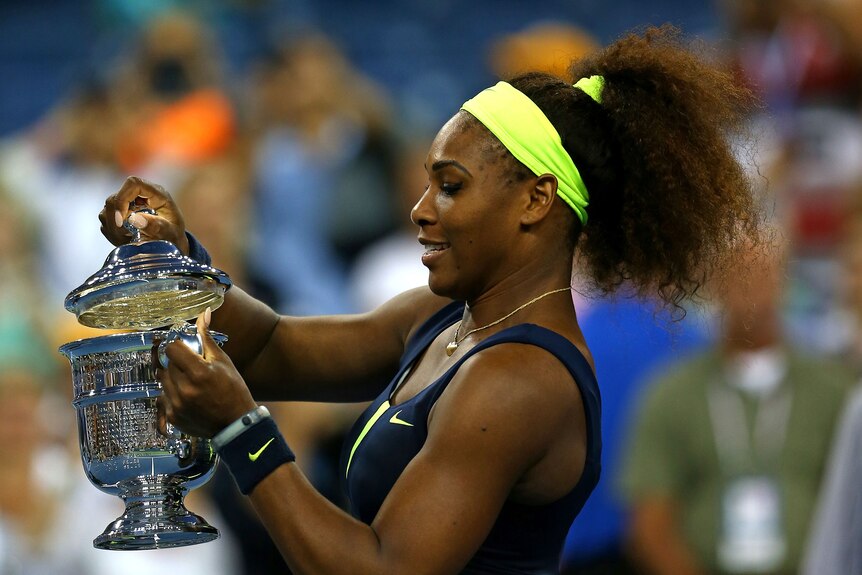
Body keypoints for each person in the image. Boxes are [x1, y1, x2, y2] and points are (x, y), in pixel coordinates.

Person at [97, 26, 763, 574]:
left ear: (536, 199)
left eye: (450, 185)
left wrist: (241, 431)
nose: (420, 210)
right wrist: (177, 254)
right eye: (428, 183)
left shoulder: (519, 380)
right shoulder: (442, 316)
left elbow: (384, 570)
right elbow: (272, 348)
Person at [618, 236, 854, 575]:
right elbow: (649, 525)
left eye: (762, 272)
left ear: (784, 280)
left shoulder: (832, 392)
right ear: (714, 283)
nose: (750, 287)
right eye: (738, 274)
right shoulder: (670, 393)